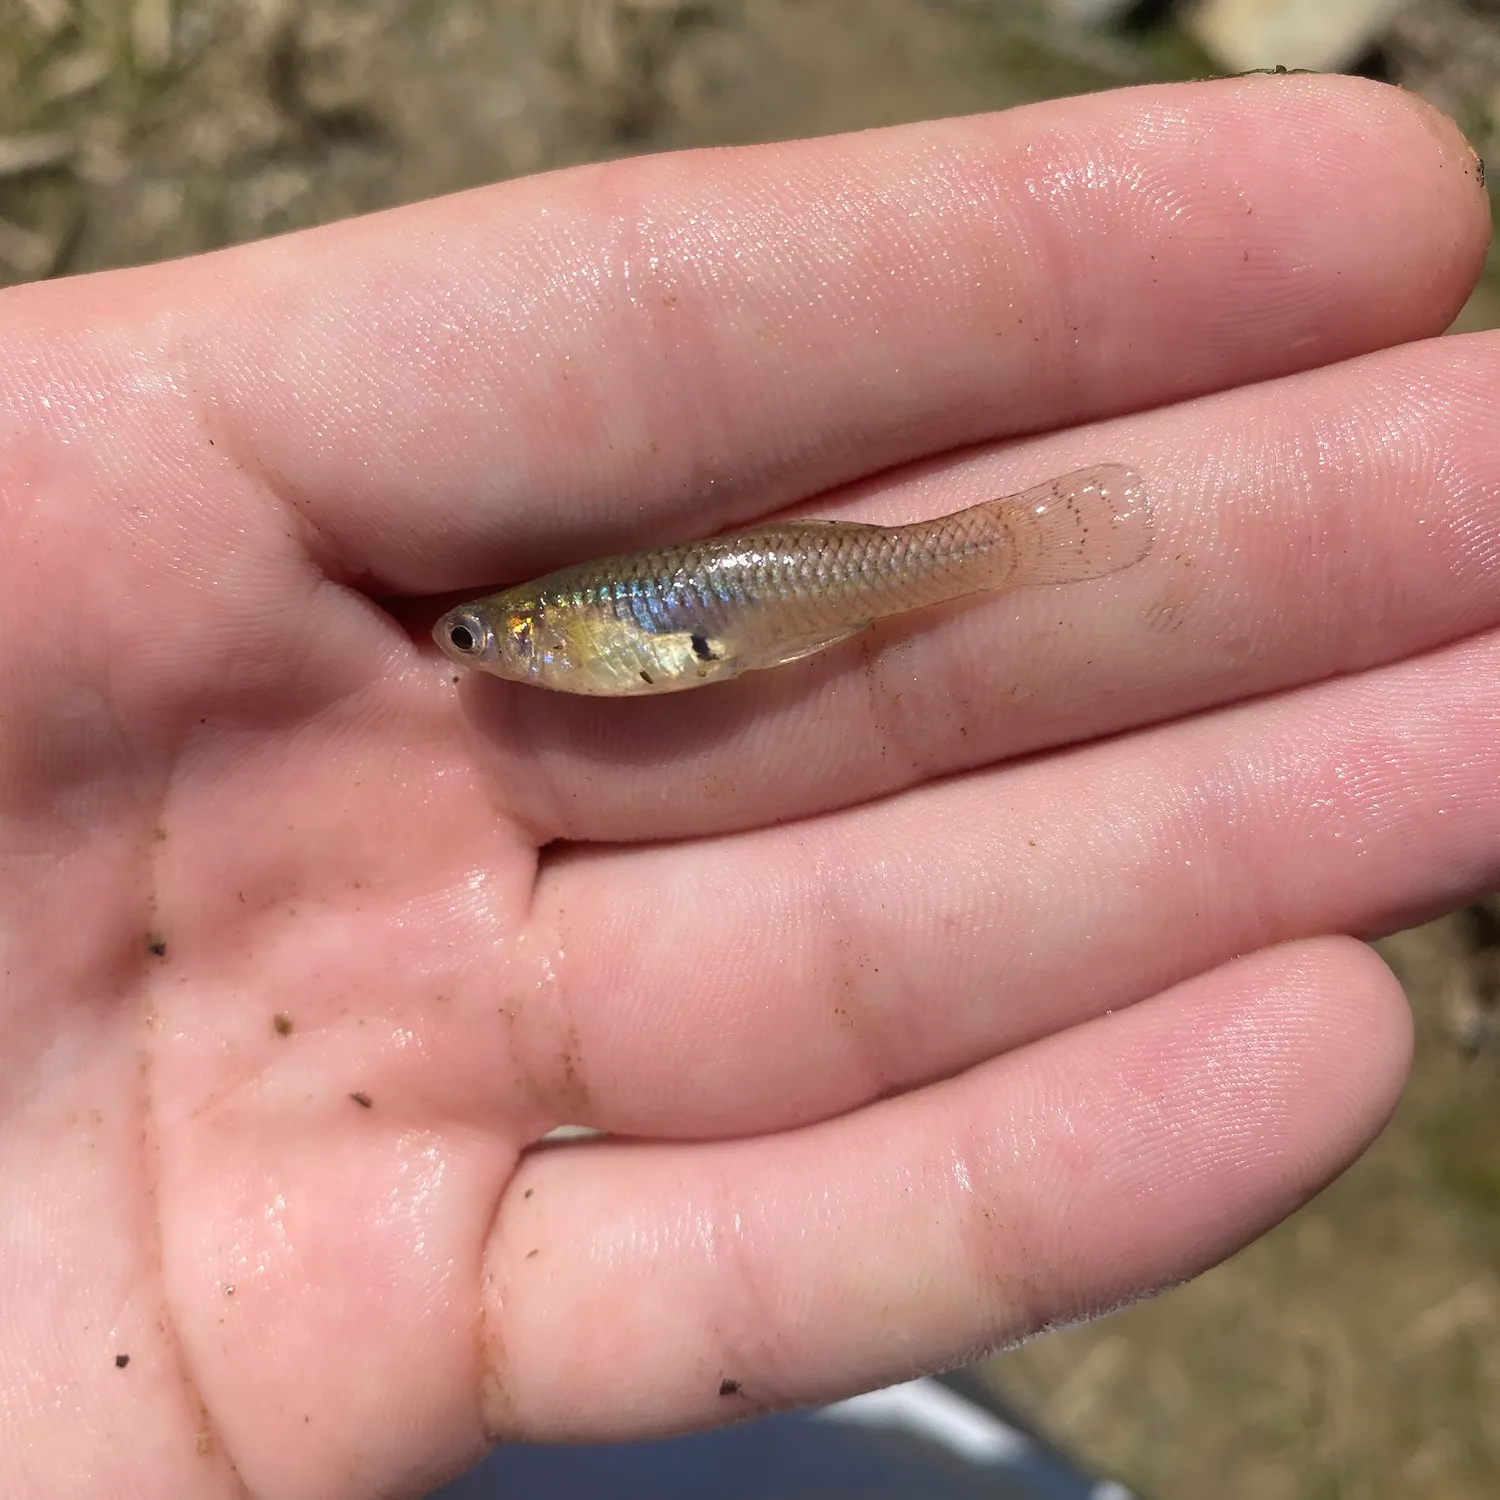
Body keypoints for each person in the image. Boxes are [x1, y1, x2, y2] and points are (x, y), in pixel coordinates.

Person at [0, 71, 1493, 1499]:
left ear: (523, 628)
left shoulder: (563, 632)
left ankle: (1013, 542)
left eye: (478, 637)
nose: (471, 658)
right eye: (472, 640)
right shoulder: (548, 649)